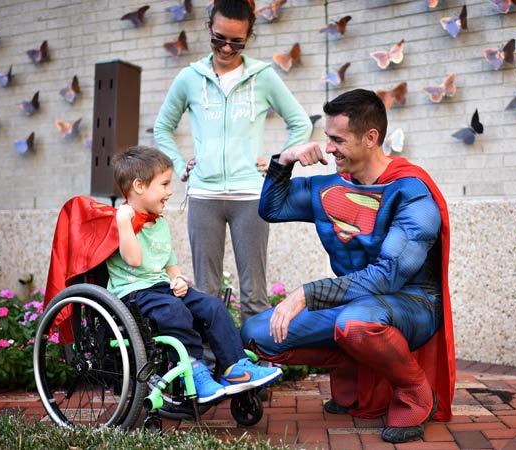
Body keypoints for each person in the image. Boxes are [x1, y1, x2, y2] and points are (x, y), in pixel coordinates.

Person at [240, 89, 455, 443]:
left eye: (337, 139)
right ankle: (350, 365)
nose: (328, 148)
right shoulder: (330, 186)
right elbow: (272, 209)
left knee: (355, 324)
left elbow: (387, 276)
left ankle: (416, 393)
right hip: (354, 303)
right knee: (258, 333)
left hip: (411, 303)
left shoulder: (413, 192)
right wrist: (286, 159)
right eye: (327, 138)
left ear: (371, 138)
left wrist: (307, 295)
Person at [154, 0, 312, 324]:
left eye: (236, 41)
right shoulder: (189, 78)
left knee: (255, 293)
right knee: (207, 293)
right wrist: (180, 165)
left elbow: (301, 123)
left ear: (249, 35)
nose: (227, 48)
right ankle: (213, 364)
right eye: (219, 39)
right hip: (204, 196)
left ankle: (261, 361)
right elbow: (163, 127)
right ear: (209, 29)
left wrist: (277, 165)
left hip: (250, 197)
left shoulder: (263, 77)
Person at [106, 145, 282, 404]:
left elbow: (171, 264)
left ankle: (235, 368)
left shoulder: (160, 222)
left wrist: (177, 278)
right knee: (174, 311)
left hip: (161, 289)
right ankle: (195, 370)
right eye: (164, 184)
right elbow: (134, 260)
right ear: (140, 186)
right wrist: (124, 221)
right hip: (134, 294)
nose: (169, 191)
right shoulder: (120, 221)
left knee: (211, 305)